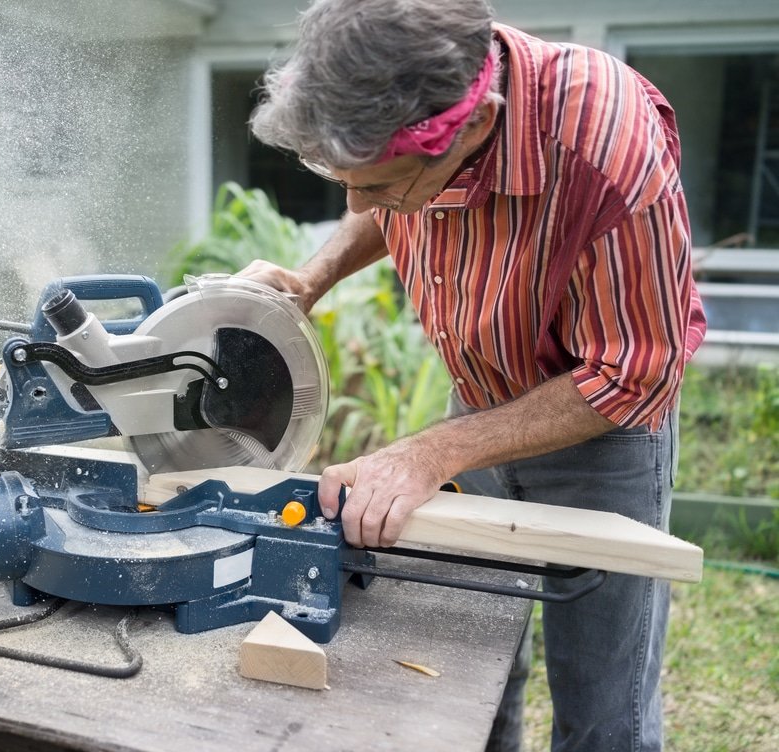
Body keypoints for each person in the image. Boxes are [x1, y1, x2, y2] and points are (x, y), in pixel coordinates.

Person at [241, 1, 707, 750]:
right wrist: (315, 275)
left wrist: (432, 452)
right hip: (479, 398)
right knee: (468, 664)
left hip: (602, 419)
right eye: (349, 181)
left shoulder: (607, 153)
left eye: (382, 189)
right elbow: (388, 197)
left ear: (476, 127)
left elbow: (634, 374)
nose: (357, 205)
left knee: (602, 704)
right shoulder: (412, 137)